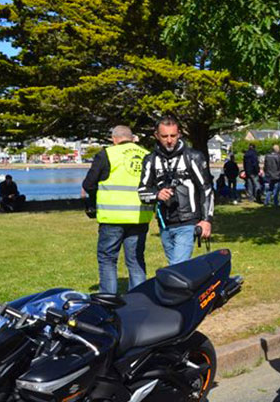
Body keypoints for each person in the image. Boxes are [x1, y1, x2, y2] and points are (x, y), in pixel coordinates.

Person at [82, 125, 153, 293]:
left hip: (112, 216)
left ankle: (108, 300)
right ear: (132, 137)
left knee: (107, 259)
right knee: (135, 260)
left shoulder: (107, 154)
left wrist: (94, 201)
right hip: (139, 216)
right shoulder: (146, 155)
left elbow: (88, 184)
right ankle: (139, 300)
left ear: (114, 139)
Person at [138, 118, 214, 265]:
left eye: (173, 136)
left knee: (177, 266)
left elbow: (206, 189)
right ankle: (190, 286)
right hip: (165, 224)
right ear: (156, 135)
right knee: (177, 266)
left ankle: (178, 287)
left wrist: (206, 220)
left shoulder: (193, 157)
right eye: (165, 136)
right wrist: (156, 194)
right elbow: (142, 191)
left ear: (179, 134)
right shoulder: (150, 160)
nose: (169, 140)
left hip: (188, 222)